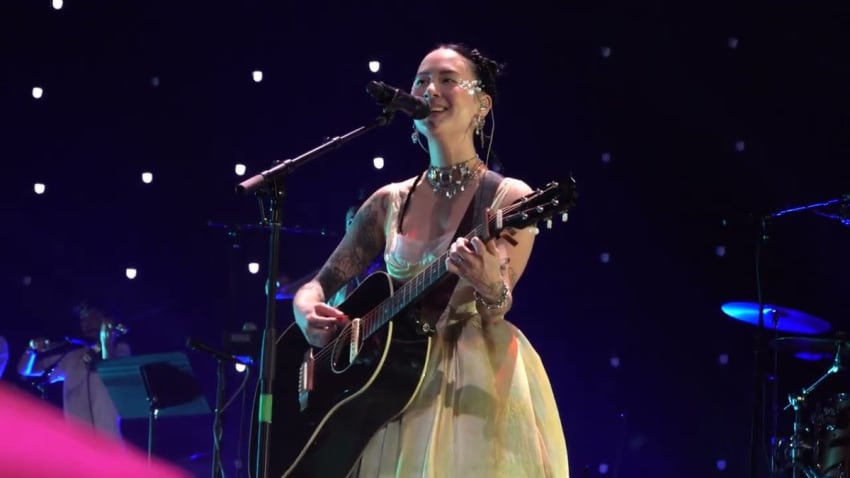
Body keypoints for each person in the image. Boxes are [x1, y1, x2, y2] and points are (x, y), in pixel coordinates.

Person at [292, 43, 569, 477]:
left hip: (465, 382)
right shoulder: (389, 201)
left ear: (482, 104)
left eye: (446, 79)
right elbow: (319, 284)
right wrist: (305, 309)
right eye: (421, 80)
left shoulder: (508, 198)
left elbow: (498, 305)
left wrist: (488, 283)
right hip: (383, 385)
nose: (429, 89)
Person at [17, 301, 131, 439]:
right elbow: (25, 370)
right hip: (78, 446)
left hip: (109, 445)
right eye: (84, 319)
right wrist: (32, 349)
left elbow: (112, 372)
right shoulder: (72, 356)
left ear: (107, 320)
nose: (88, 323)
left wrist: (106, 341)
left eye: (94, 316)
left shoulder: (120, 350)